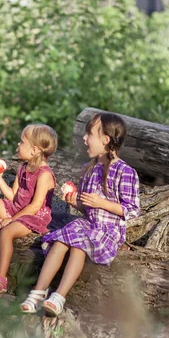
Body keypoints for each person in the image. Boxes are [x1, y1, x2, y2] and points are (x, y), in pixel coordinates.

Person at [20, 112, 140, 315]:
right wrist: (75, 201)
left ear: (105, 139)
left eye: (89, 134)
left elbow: (133, 210)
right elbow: (88, 208)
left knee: (78, 246)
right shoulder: (90, 169)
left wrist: (103, 203)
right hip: (89, 224)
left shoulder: (125, 172)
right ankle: (38, 292)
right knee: (61, 240)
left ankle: (59, 296)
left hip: (109, 231)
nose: (84, 138)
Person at [0, 124, 58, 294]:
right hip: (18, 209)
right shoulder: (24, 168)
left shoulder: (44, 175)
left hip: (33, 216)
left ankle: (1, 279)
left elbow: (36, 205)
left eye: (22, 142)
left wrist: (12, 220)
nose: (18, 145)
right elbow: (13, 196)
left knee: (6, 232)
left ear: (34, 150)